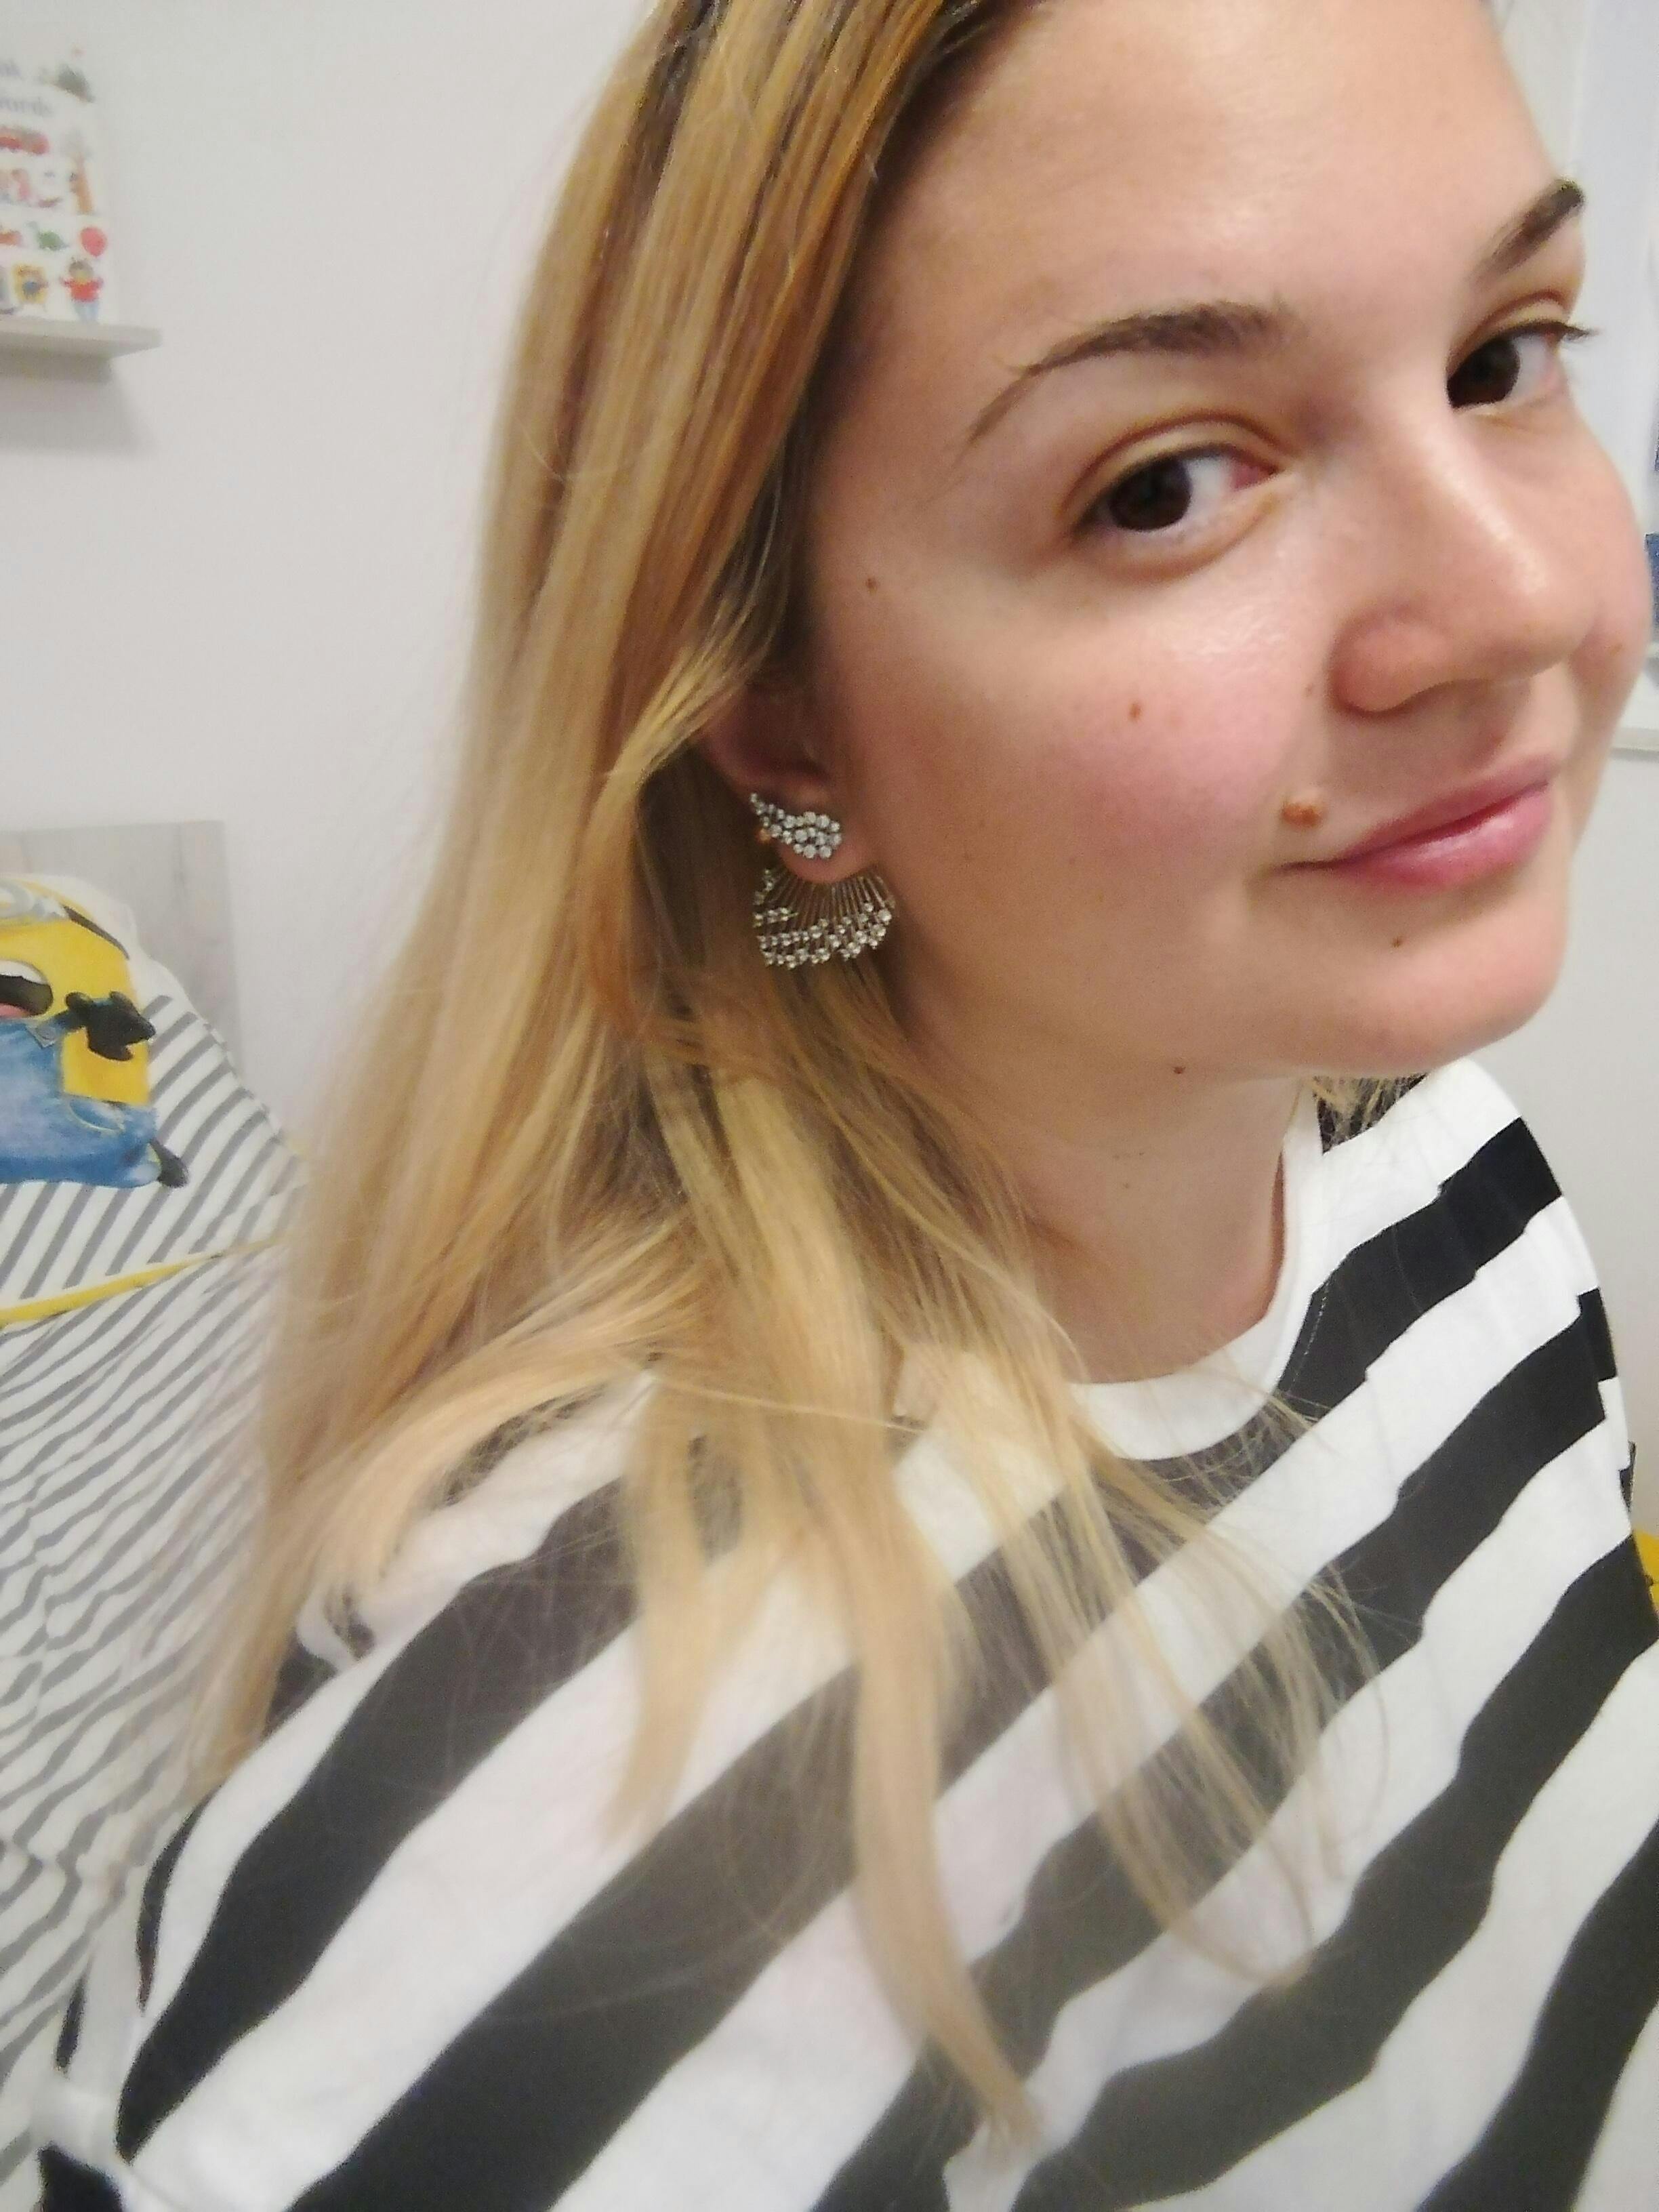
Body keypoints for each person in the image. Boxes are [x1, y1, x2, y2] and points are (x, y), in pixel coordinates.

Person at [33, 0, 1659, 2204]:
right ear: (788, 722)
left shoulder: (1441, 1154)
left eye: (1503, 357)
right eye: (1166, 486)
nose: (1524, 601)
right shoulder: (571, 1876)